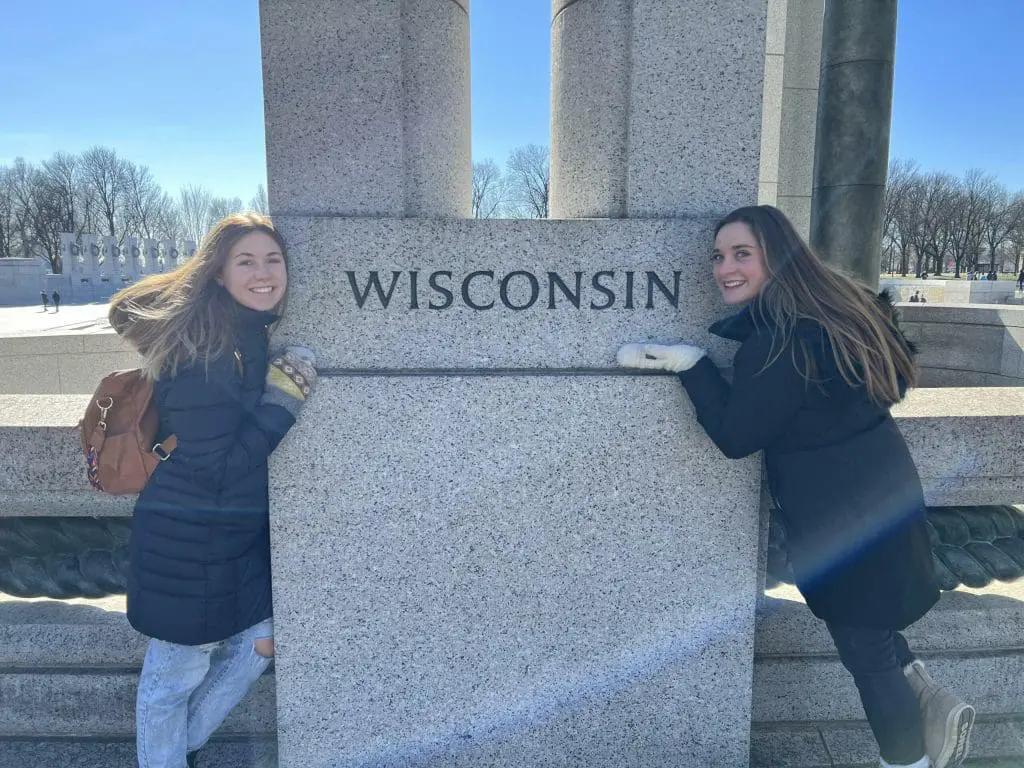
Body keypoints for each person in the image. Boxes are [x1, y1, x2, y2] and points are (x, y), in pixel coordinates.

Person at [617, 205, 973, 768]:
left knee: (866, 654)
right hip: (886, 498)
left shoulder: (780, 341)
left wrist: (693, 364)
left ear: (778, 257)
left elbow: (737, 436)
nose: (725, 268)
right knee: (874, 629)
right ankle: (927, 700)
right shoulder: (836, 315)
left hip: (843, 522)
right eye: (718, 256)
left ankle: (909, 759)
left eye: (742, 254)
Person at [108, 213, 317, 768]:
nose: (263, 273)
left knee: (259, 642)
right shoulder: (203, 348)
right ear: (219, 274)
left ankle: (180, 749)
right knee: (173, 677)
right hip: (187, 542)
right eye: (245, 261)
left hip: (229, 538)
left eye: (273, 259)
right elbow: (218, 467)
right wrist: (283, 402)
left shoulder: (243, 331)